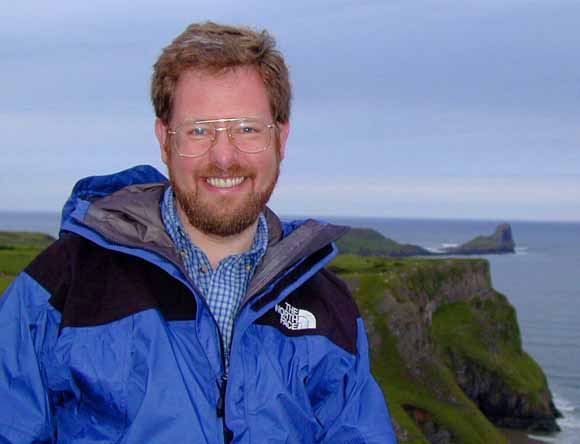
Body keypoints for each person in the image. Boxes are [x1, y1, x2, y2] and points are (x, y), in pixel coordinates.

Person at [0, 22, 397, 443]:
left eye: (246, 129)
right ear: (164, 140)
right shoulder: (60, 287)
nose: (223, 157)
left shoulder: (329, 307)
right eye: (198, 131)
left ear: (280, 137)